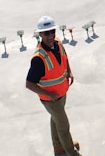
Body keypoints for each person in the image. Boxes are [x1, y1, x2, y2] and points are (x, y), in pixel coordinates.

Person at [25, 15, 82, 156]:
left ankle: (58, 147)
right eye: (46, 33)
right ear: (40, 34)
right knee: (63, 125)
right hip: (51, 99)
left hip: (61, 93)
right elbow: (29, 84)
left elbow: (64, 56)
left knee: (55, 119)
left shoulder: (58, 43)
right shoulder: (39, 58)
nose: (50, 35)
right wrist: (49, 94)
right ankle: (71, 151)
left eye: (52, 31)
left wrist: (69, 71)